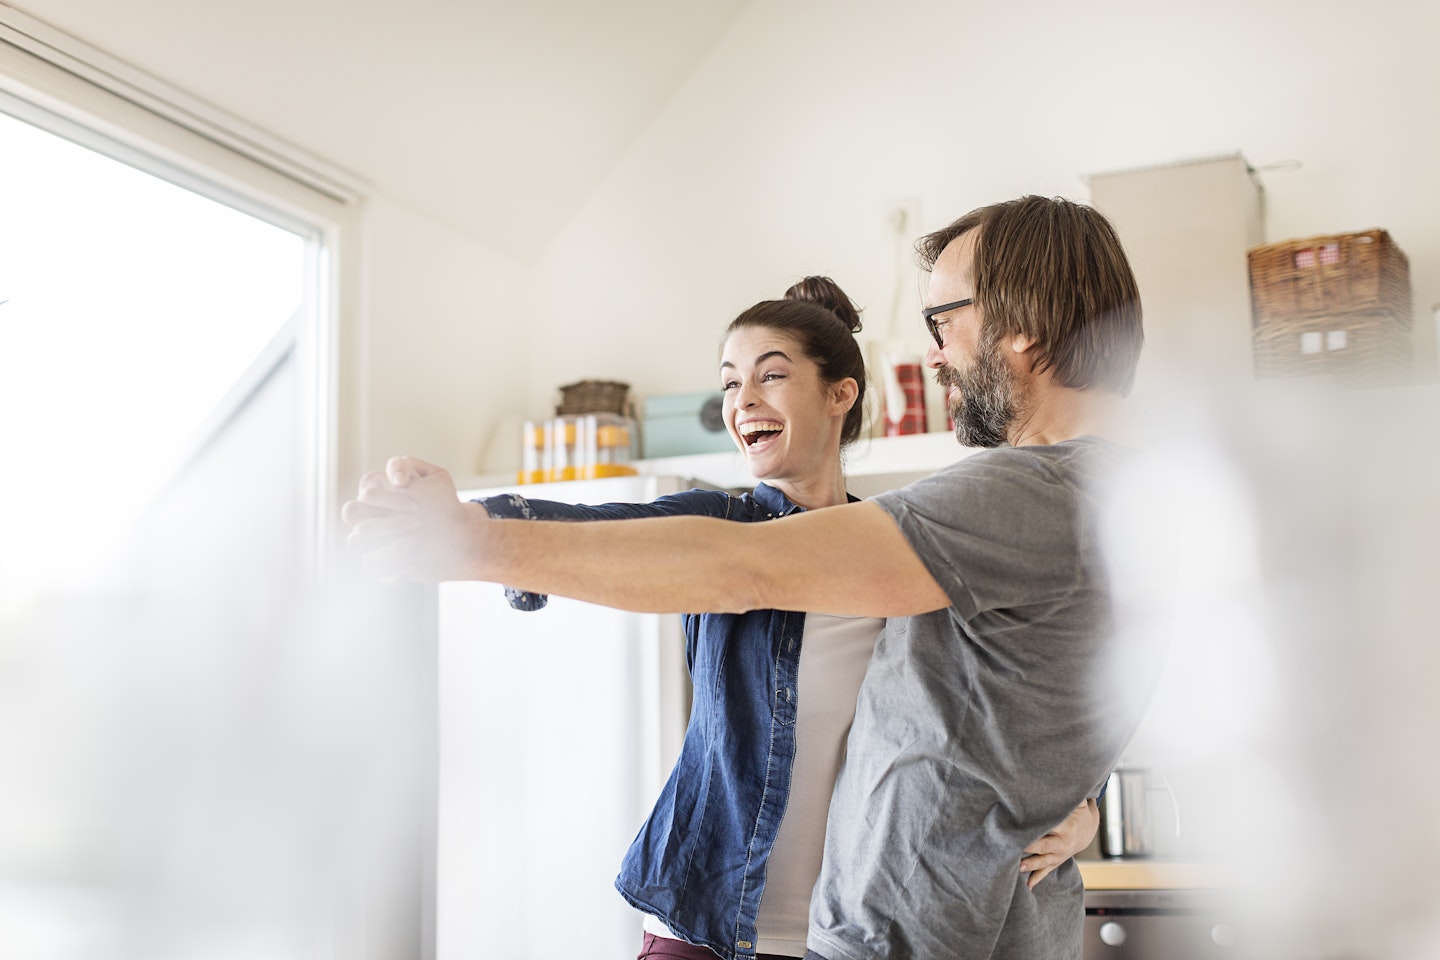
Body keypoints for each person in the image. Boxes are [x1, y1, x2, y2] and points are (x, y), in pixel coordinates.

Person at [344, 195, 1153, 960]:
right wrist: (1064, 803)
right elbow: (1036, 712)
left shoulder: (1020, 496)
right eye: (730, 381)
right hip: (881, 924)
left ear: (1022, 327)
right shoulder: (1127, 509)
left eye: (944, 318)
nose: (937, 352)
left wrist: (471, 544)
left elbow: (742, 570)